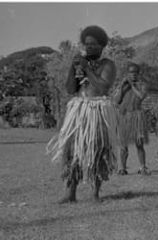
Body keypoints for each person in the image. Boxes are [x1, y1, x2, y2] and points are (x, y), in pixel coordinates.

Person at [46, 25, 118, 203]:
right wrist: (73, 67)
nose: (89, 47)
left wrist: (87, 68)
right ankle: (70, 194)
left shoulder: (108, 64)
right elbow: (71, 89)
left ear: (102, 46)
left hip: (98, 109)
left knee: (98, 149)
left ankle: (95, 194)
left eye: (93, 44)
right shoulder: (81, 64)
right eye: (87, 44)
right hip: (79, 109)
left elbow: (102, 87)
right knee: (72, 150)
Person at [113, 62, 150, 175]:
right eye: (131, 72)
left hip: (137, 116)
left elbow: (141, 96)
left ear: (138, 74)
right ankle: (122, 168)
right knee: (123, 145)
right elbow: (116, 101)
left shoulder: (142, 85)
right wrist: (122, 87)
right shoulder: (122, 86)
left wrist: (132, 85)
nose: (133, 74)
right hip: (124, 116)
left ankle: (143, 167)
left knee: (139, 144)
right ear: (127, 73)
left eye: (135, 72)